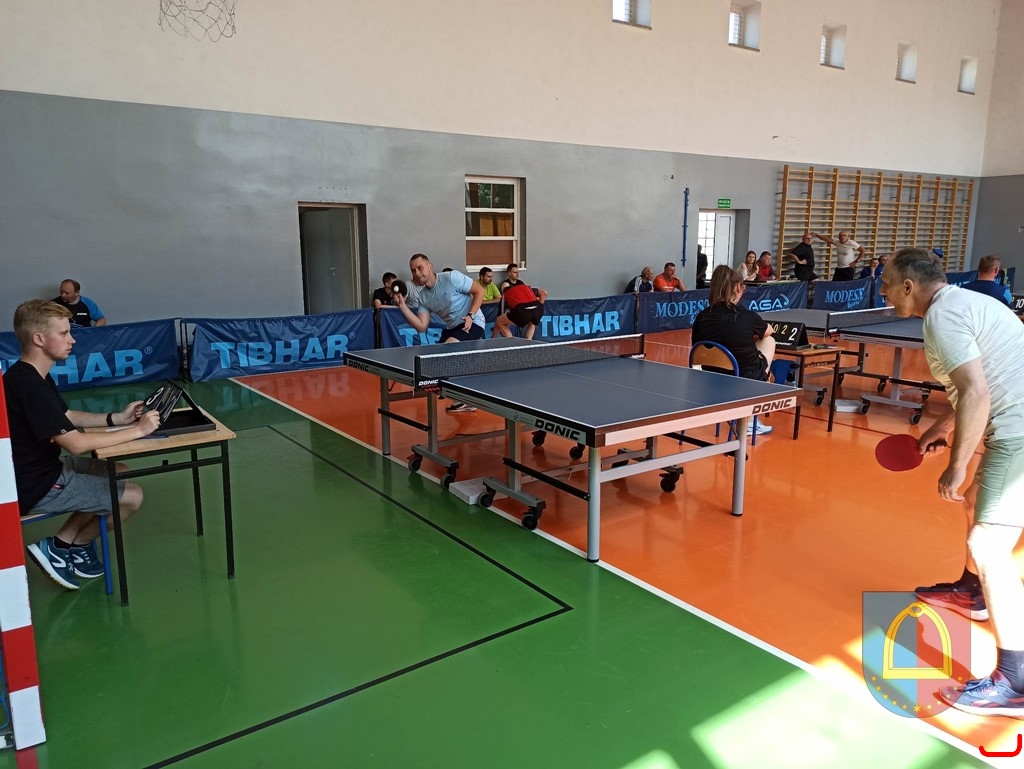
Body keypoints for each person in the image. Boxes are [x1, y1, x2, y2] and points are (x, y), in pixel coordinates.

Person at [879, 248, 1024, 717]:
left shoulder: (943, 318)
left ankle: (1016, 681)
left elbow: (978, 394)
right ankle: (972, 591)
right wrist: (941, 429)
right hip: (1012, 422)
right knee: (976, 505)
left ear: (909, 286)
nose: (882, 291)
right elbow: (975, 386)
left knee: (989, 545)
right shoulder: (961, 303)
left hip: (1018, 431)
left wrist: (957, 465)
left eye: (886, 283)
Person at [4, 300, 161, 591]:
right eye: (64, 333)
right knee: (133, 496)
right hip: (35, 483)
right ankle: (64, 546)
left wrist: (117, 419)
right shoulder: (28, 385)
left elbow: (66, 416)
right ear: (39, 339)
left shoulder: (31, 374)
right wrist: (138, 430)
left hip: (43, 468)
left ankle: (67, 544)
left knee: (119, 470)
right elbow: (75, 444)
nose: (72, 339)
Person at [394, 254, 486, 413]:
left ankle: (469, 393)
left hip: (473, 322)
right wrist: (402, 306)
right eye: (413, 270)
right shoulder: (423, 296)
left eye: (420, 268)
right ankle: (461, 399)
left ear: (430, 266)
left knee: (449, 347)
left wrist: (470, 315)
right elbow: (421, 326)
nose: (417, 273)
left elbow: (480, 291)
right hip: (453, 328)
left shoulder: (451, 278)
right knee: (434, 361)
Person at [691, 266, 776, 435]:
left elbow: (697, 345)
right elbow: (769, 330)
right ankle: (749, 421)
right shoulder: (747, 316)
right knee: (769, 340)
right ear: (738, 287)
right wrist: (749, 336)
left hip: (709, 380)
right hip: (741, 381)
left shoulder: (701, 317)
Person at [494, 276, 548, 341]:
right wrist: (540, 306)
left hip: (522, 310)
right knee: (532, 321)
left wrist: (494, 338)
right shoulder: (526, 288)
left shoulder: (505, 296)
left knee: (499, 321)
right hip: (537, 309)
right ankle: (529, 341)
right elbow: (544, 293)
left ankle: (510, 341)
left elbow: (501, 317)